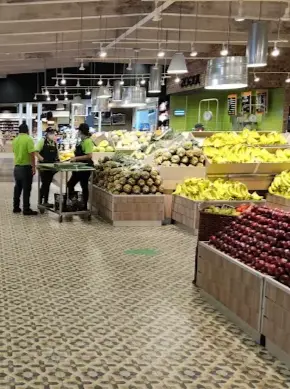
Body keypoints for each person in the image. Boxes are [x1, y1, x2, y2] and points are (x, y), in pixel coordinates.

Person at [67, 123, 94, 210]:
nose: (77, 132)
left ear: (81, 131)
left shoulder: (88, 141)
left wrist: (76, 158)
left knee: (84, 186)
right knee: (70, 184)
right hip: (78, 167)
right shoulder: (82, 141)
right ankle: (73, 203)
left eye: (78, 131)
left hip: (85, 168)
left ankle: (84, 206)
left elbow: (89, 155)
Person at [12, 123, 37, 215]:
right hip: (25, 168)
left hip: (17, 167)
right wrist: (34, 167)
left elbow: (14, 152)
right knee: (26, 189)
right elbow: (32, 154)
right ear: (27, 130)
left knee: (17, 188)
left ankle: (16, 207)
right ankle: (26, 209)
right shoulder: (28, 139)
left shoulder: (15, 140)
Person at [35, 127, 59, 207]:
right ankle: (40, 201)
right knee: (45, 184)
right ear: (47, 134)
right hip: (44, 167)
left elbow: (57, 154)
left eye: (54, 133)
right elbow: (36, 151)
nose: (53, 135)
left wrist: (58, 160)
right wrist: (43, 160)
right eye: (51, 133)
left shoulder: (54, 143)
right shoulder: (42, 141)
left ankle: (45, 201)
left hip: (51, 167)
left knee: (48, 184)